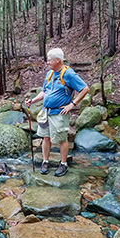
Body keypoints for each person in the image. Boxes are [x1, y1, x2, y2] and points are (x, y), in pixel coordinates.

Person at [25, 48, 90, 176]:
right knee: (46, 137)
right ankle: (45, 161)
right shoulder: (49, 74)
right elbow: (44, 92)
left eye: (49, 60)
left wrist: (72, 104)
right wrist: (33, 101)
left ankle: (63, 163)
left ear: (57, 60)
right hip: (46, 112)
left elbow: (85, 89)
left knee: (62, 139)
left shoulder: (69, 74)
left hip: (59, 114)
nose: (47, 62)